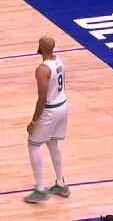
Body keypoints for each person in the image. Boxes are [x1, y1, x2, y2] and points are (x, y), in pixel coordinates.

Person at [23, 36, 70, 203]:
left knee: (33, 144)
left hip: (51, 110)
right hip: (63, 105)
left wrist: (34, 122)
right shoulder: (59, 61)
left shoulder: (42, 69)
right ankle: (61, 184)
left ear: (41, 47)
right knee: (52, 142)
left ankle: (40, 189)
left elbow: (42, 98)